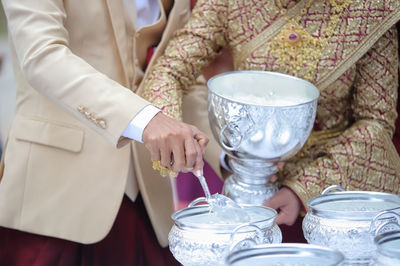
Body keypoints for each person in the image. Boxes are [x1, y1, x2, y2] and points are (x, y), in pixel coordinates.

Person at [141, 0, 400, 241]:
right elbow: (170, 70)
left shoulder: (371, 9)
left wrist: (303, 189)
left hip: (335, 198)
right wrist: (167, 125)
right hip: (246, 185)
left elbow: (375, 123)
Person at [0, 0, 221, 265]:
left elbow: (184, 78)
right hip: (56, 200)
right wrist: (145, 119)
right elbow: (42, 56)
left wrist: (236, 164)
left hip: (146, 203)